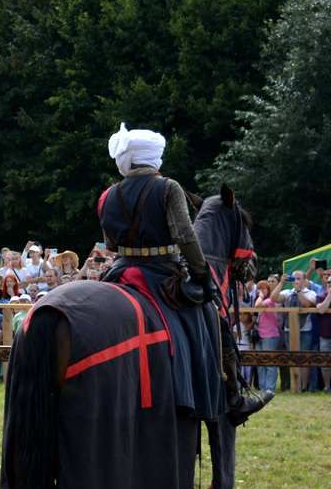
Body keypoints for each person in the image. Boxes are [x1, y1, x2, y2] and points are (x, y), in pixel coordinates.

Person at [99, 123, 270, 424]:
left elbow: (111, 242)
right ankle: (232, 396)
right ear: (154, 158)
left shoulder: (108, 195)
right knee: (214, 316)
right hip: (161, 272)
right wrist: (202, 274)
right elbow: (186, 236)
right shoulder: (167, 187)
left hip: (121, 270)